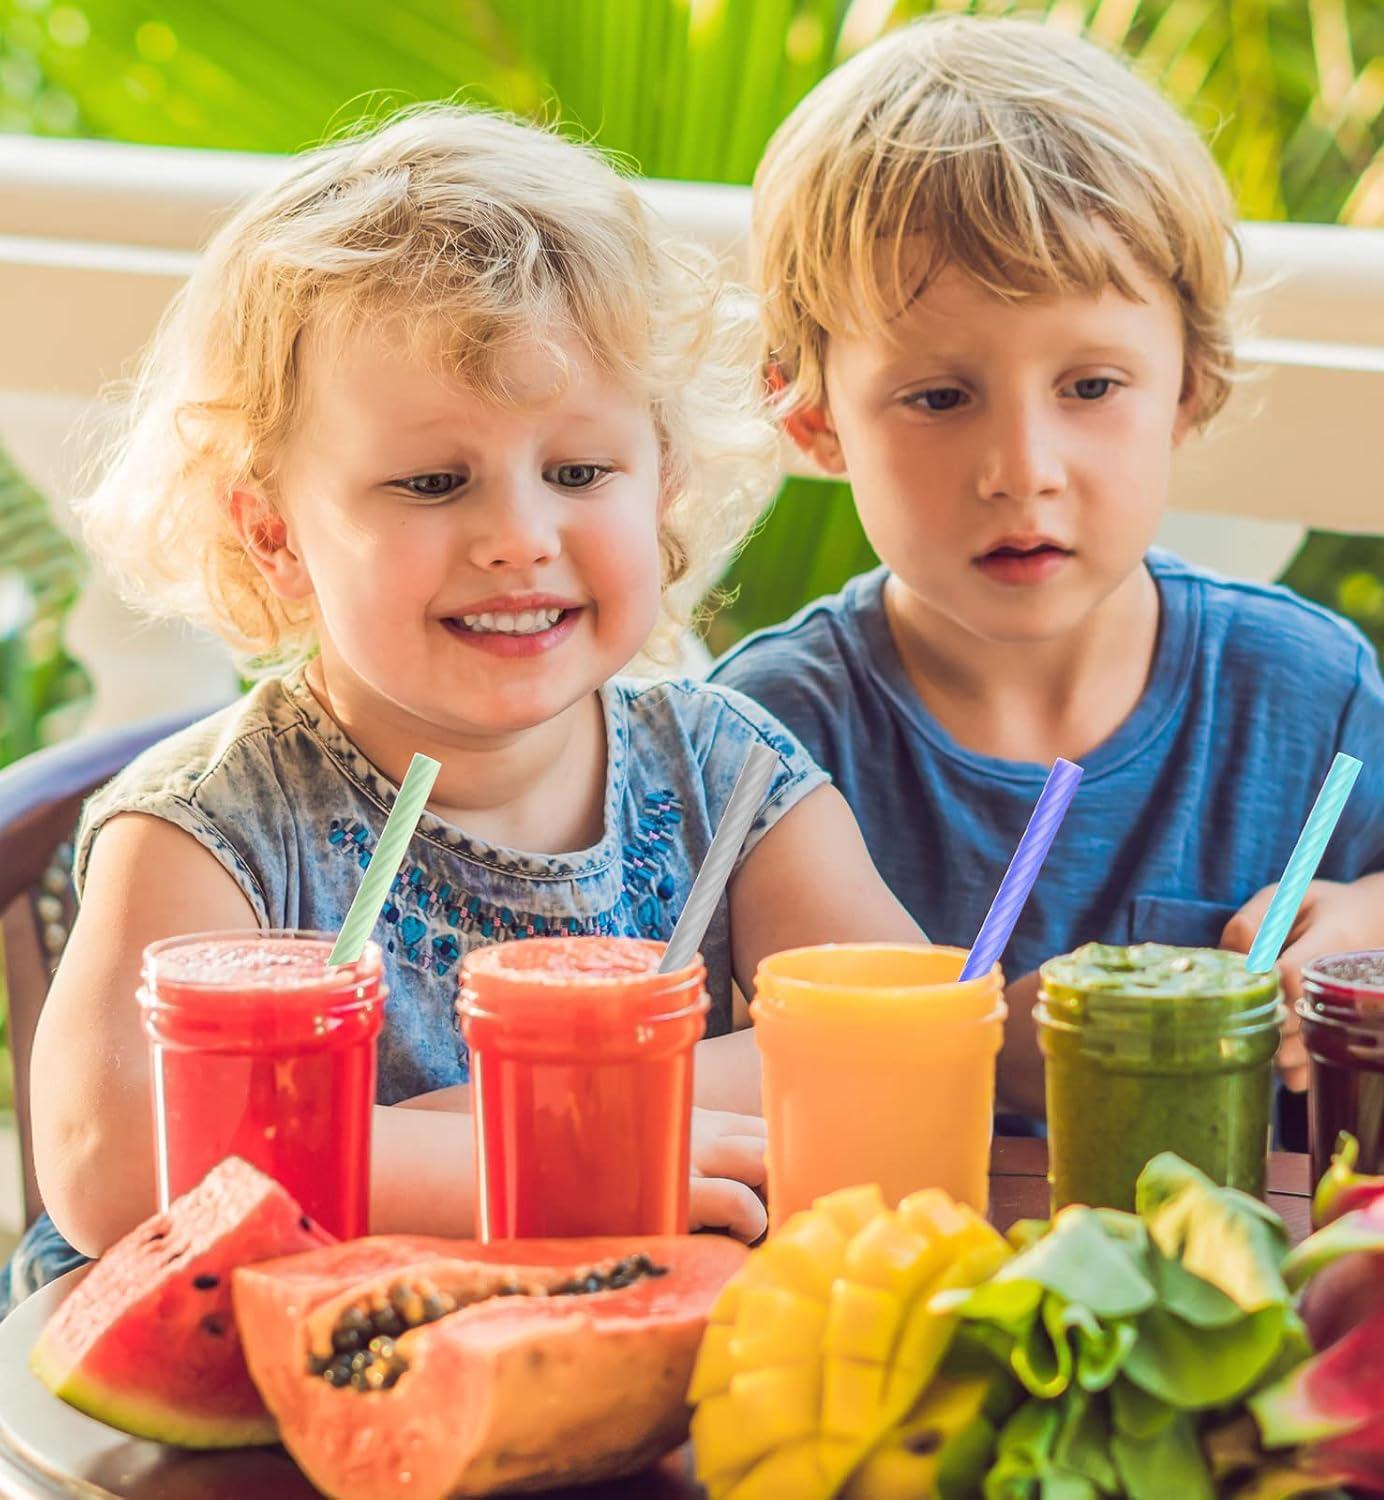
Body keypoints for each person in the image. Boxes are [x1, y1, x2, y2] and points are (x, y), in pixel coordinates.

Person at [14, 104, 921, 1307]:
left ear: (662, 485)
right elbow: (114, 1162)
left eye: (580, 472)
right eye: (435, 482)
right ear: (274, 533)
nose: (519, 537)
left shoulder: (729, 771)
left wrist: (442, 1126)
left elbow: (896, 1051)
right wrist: (563, 1159)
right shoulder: (211, 828)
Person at [712, 15, 1384, 1122]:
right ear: (812, 418)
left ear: (1189, 385)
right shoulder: (762, 740)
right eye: (940, 397)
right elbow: (705, 1060)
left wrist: (1370, 929)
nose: (1022, 471)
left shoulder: (1292, 687)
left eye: (1089, 388)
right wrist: (962, 1049)